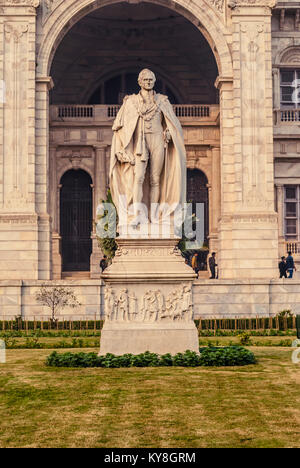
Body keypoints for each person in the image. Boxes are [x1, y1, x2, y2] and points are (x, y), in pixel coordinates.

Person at [110, 68, 187, 227]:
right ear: (139, 82)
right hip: (140, 142)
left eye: (151, 79)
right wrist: (122, 149)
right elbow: (120, 126)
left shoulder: (162, 101)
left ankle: (154, 217)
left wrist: (169, 133)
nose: (148, 82)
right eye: (145, 80)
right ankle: (137, 215)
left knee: (155, 180)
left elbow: (173, 124)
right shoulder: (131, 101)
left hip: (158, 140)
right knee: (138, 177)